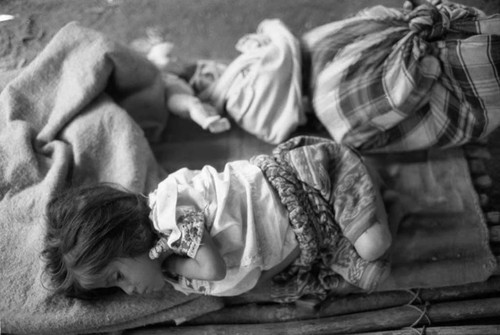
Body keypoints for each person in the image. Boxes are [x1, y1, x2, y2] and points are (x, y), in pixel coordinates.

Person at [42, 136, 392, 301]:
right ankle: (342, 236)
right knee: (360, 271)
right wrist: (306, 250)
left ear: (125, 235)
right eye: (116, 288)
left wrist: (170, 264)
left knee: (375, 246)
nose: (129, 290)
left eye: (118, 275)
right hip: (307, 233)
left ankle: (359, 169)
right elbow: (250, 276)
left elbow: (214, 269)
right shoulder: (175, 273)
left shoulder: (169, 211)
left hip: (305, 183)